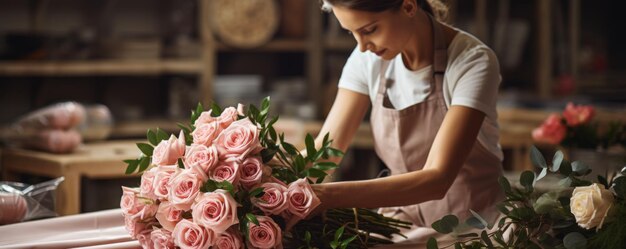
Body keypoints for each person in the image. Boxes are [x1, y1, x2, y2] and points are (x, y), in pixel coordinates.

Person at [310, 0, 505, 247]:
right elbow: (325, 153)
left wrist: (326, 196)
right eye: (352, 33)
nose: (361, 47)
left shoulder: (473, 61)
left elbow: (438, 179)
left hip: (473, 227)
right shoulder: (367, 60)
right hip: (402, 225)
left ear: (409, 6)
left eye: (369, 30)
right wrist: (263, 172)